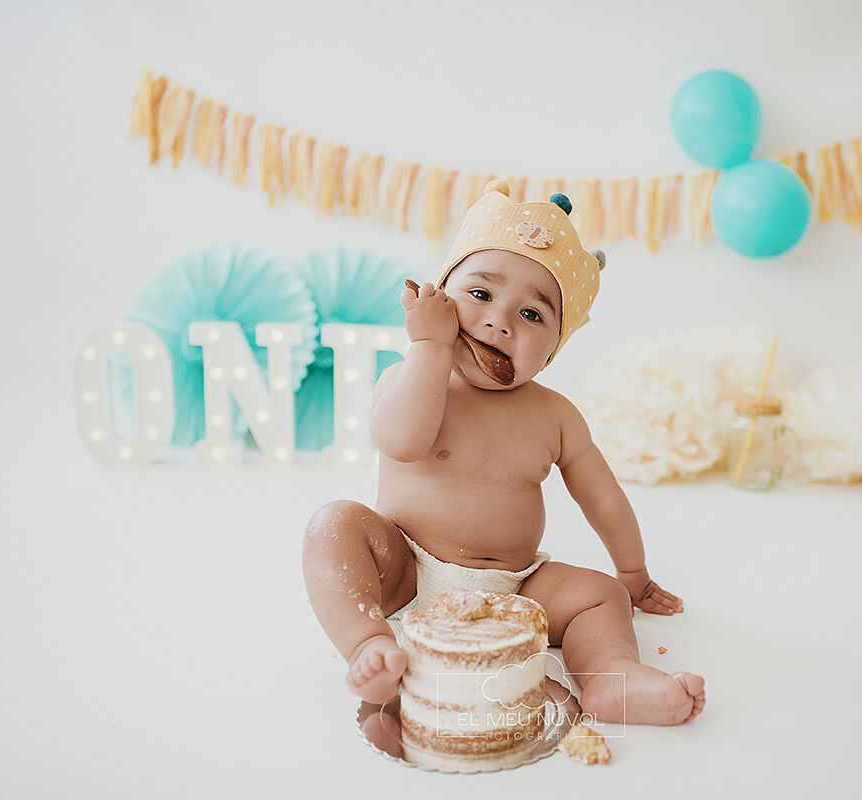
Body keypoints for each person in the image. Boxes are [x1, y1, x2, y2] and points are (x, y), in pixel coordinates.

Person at [302, 180, 705, 725]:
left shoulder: (555, 415)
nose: (500, 321)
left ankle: (612, 680)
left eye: (533, 315)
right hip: (406, 573)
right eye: (481, 295)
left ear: (554, 351)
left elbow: (603, 498)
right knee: (335, 525)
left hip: (518, 589)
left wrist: (631, 573)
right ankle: (369, 647)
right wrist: (430, 347)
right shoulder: (415, 378)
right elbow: (402, 442)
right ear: (440, 299)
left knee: (598, 594)